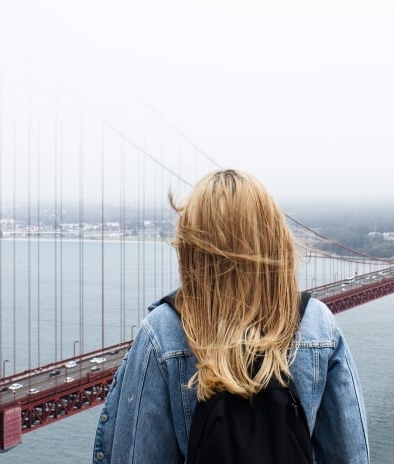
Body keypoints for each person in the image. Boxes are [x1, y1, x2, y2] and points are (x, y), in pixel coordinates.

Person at [92, 169, 370, 463]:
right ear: (275, 238)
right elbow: (351, 455)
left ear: (191, 246)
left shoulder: (162, 332)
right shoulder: (317, 324)